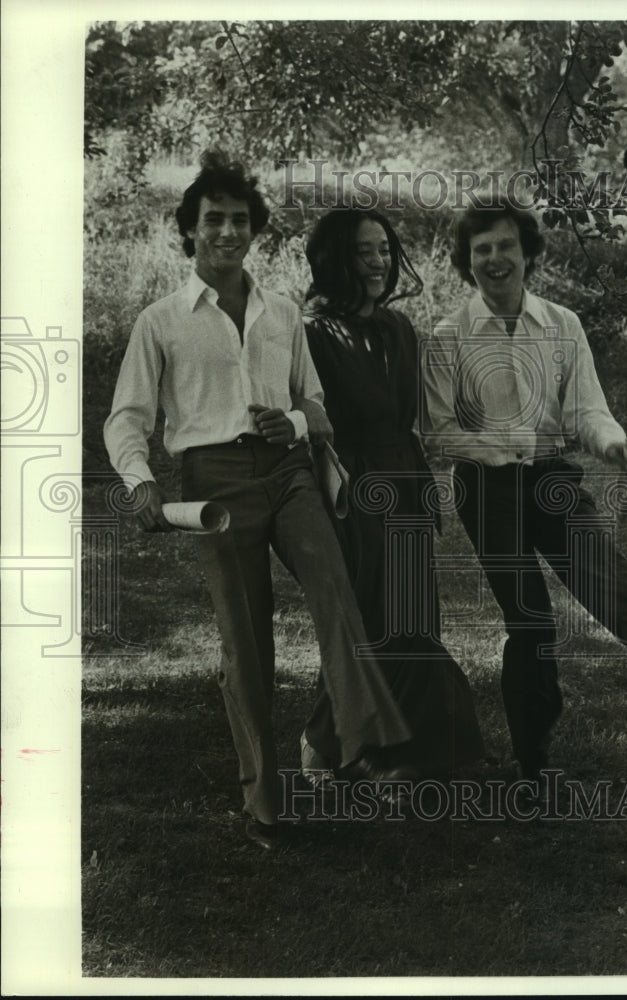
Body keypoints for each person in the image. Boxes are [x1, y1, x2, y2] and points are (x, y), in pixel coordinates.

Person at [103, 153, 415, 852]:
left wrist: (294, 422)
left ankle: (361, 743)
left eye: (239, 220)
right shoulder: (161, 321)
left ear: (254, 229)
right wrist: (139, 479)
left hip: (289, 471)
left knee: (334, 588)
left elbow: (315, 404)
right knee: (246, 640)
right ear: (190, 230)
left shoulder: (282, 313)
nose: (227, 231)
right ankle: (263, 802)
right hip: (213, 484)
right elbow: (127, 417)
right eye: (213, 219)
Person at [420, 197, 627, 789]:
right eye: (481, 249)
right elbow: (438, 431)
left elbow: (587, 411)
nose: (495, 258)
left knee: (593, 554)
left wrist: (615, 447)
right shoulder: (447, 337)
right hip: (486, 487)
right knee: (531, 622)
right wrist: (501, 449)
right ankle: (534, 761)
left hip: (551, 476)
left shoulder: (562, 324)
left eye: (506, 245)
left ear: (527, 253)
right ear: (467, 260)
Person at [296, 208, 485, 782]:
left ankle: (405, 747)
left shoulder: (400, 328)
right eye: (364, 251)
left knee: (412, 613)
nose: (379, 262)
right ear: (336, 259)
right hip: (351, 485)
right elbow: (309, 418)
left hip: (405, 479)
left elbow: (416, 414)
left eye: (385, 249)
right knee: (368, 614)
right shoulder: (310, 334)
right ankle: (327, 741)